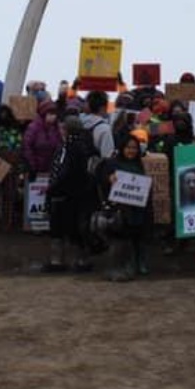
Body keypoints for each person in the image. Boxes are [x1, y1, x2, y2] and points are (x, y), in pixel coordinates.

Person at [42, 115, 97, 272]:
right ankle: (81, 260)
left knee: (59, 229)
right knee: (76, 229)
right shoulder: (86, 145)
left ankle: (59, 261)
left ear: (66, 129)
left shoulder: (68, 147)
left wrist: (52, 188)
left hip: (64, 194)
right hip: (81, 194)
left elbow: (62, 170)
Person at [97, 130, 152, 281]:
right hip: (120, 209)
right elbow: (100, 177)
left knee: (137, 237)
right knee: (120, 239)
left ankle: (136, 263)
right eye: (128, 147)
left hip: (137, 209)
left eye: (134, 148)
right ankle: (119, 267)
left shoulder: (138, 164)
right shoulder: (113, 163)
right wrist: (109, 179)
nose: (131, 151)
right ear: (122, 148)